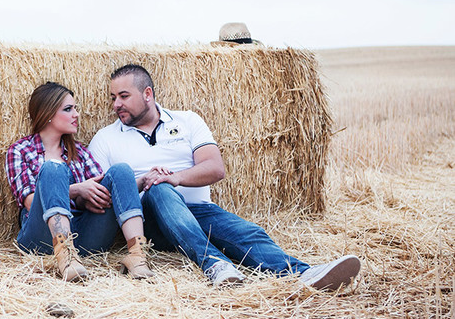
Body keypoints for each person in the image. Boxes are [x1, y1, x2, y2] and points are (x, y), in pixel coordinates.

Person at [88, 64, 361, 289]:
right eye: (113, 98)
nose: (116, 104)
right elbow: (100, 196)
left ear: (147, 93)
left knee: (244, 232)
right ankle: (215, 264)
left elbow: (215, 168)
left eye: (123, 96)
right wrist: (147, 181)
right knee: (159, 191)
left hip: (198, 211)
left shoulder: (187, 121)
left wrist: (176, 178)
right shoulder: (106, 138)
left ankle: (305, 273)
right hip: (150, 222)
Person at [6, 81, 153, 282]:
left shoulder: (80, 152)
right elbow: (31, 202)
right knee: (53, 168)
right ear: (47, 113)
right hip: (40, 238)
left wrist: (143, 181)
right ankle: (64, 256)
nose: (76, 114)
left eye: (76, 108)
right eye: (68, 109)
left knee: (121, 171)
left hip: (84, 239)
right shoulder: (20, 151)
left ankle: (137, 255)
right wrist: (76, 190)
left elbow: (103, 193)